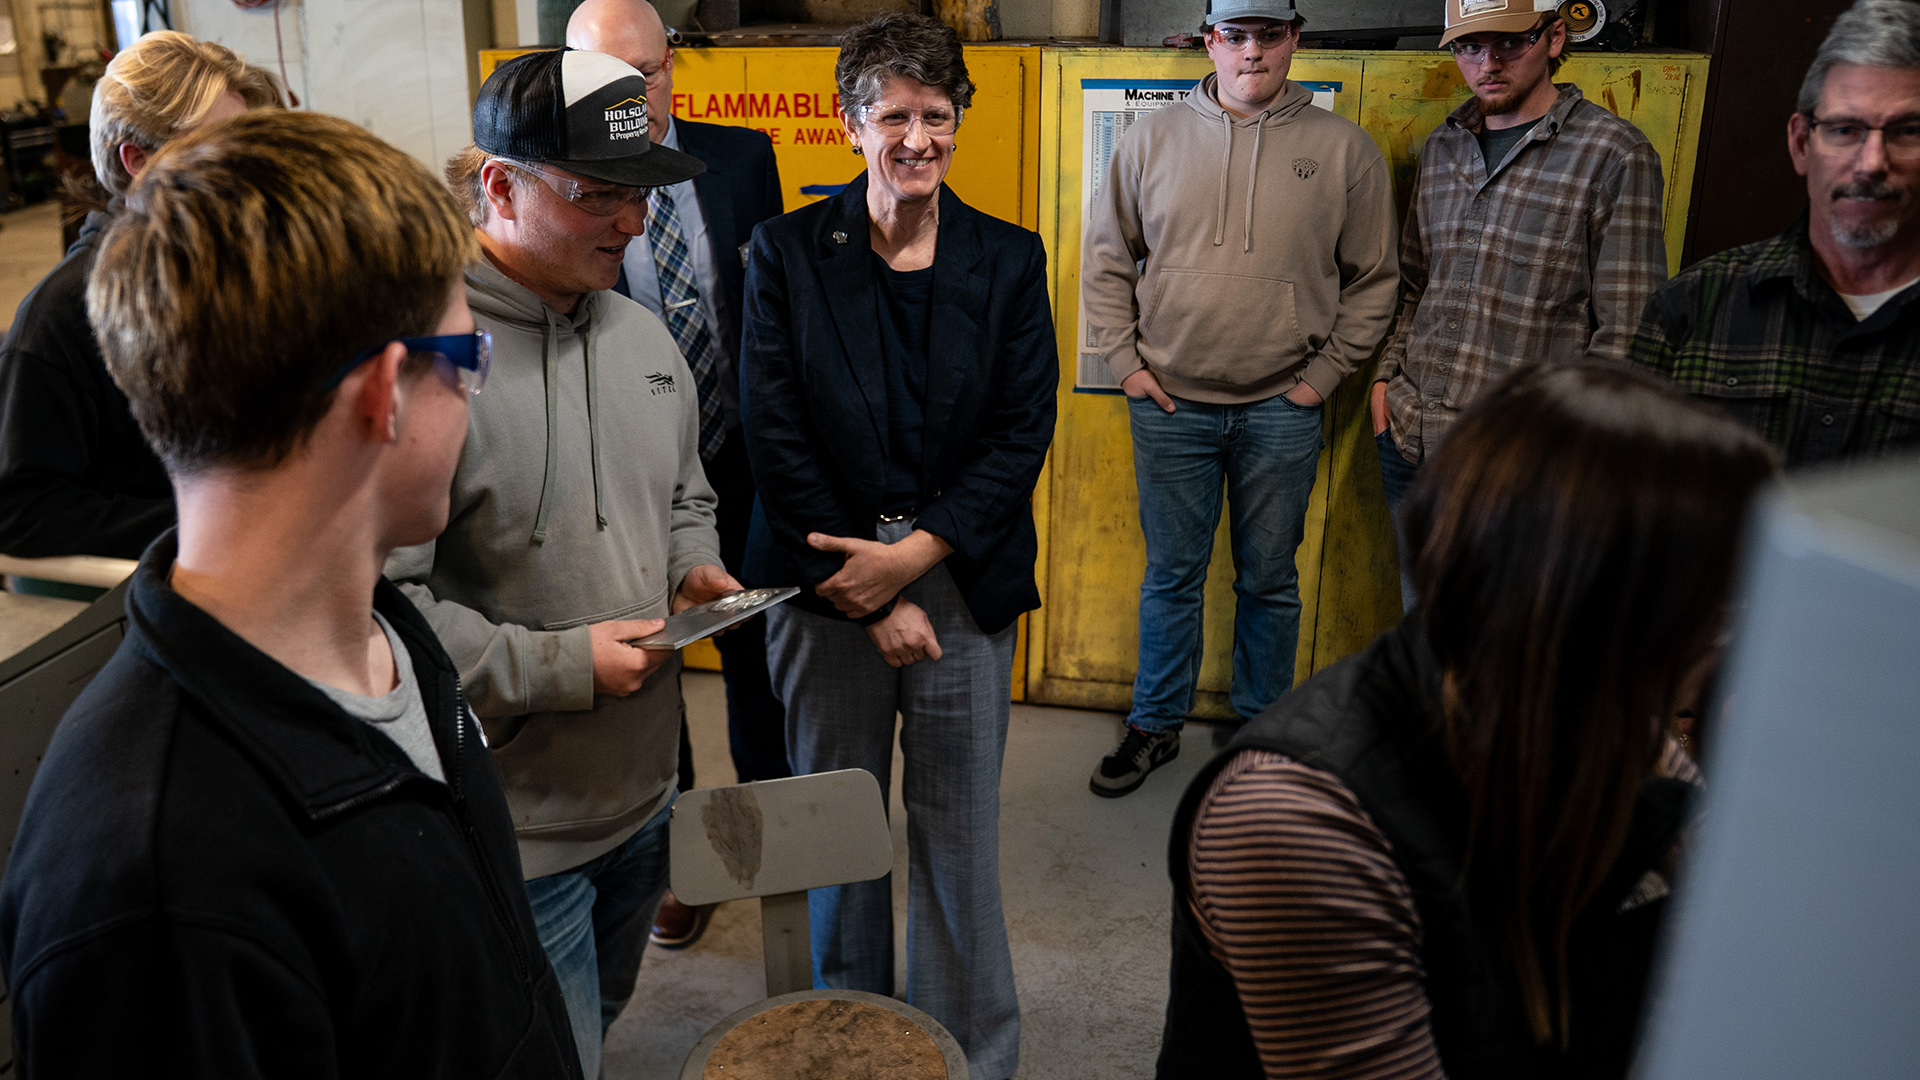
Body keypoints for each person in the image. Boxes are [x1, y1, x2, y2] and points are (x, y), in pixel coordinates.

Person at [0, 110, 582, 1078]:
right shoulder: (154, 886)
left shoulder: (386, 634)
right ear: (385, 394)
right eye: (468, 358)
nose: (473, 395)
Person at [1158, 362, 1777, 1080]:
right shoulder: (1296, 810)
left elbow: (1750, 942)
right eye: (1724, 594)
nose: (1743, 624)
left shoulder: (1602, 719)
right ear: (1603, 604)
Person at [385, 48, 733, 1078]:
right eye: (597, 198)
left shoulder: (643, 343)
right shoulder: (427, 362)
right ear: (498, 185)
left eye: (641, 195)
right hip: (515, 826)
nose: (632, 226)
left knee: (603, 1020)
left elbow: (684, 496)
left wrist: (694, 565)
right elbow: (380, 612)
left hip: (646, 799)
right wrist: (559, 666)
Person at [739, 14, 1057, 1078]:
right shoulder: (785, 252)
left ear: (957, 121)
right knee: (842, 841)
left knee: (959, 846)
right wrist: (866, 590)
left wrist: (911, 561)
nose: (917, 138)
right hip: (823, 587)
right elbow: (773, 433)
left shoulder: (1009, 260)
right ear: (849, 122)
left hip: (959, 586)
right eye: (894, 115)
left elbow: (1022, 434)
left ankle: (972, 1057)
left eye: (937, 115)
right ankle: (854, 1047)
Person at [1080, 0, 1399, 797]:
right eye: (1236, 35)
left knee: (1270, 580)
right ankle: (1154, 726)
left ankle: (1265, 736)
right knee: (1172, 578)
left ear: (1295, 38)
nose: (1252, 52)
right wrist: (1126, 364)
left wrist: (1319, 382)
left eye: (1270, 35)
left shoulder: (1344, 150)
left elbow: (1374, 283)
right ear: (1210, 41)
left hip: (1281, 410)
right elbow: (1106, 258)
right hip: (1169, 406)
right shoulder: (1150, 138)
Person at [567, 0, 790, 951]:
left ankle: (775, 847)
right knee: (654, 666)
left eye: (647, 75)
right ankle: (683, 862)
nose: (633, 95)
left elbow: (778, 317)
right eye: (608, 79)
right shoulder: (563, 185)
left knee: (755, 660)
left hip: (740, 458)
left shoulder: (739, 159)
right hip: (626, 476)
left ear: (674, 70)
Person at [1372, 0, 1667, 553]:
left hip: (1522, 468)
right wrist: (1385, 385)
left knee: (1507, 637)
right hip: (1413, 440)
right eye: (1469, 46)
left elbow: (1630, 333)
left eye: (1510, 42)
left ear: (1554, 37)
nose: (1487, 64)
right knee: (1425, 630)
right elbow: (1416, 286)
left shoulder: (1613, 154)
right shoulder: (1444, 146)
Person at [0, 31, 278, 564]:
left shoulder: (235, 273)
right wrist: (208, 522)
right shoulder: (62, 315)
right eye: (221, 152)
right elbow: (21, 511)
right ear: (136, 160)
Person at [1629, 0, 1920, 468]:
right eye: (1845, 130)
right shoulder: (1693, 305)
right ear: (1802, 143)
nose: (1871, 164)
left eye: (1908, 131)